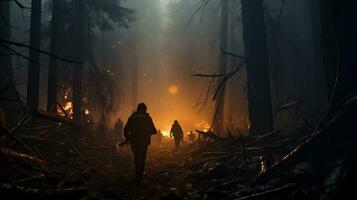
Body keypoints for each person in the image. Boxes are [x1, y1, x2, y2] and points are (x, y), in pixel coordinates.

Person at [124, 103, 157, 182]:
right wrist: (147, 132)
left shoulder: (132, 117)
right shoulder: (147, 118)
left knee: (136, 157)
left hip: (134, 141)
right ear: (145, 109)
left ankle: (137, 174)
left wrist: (128, 138)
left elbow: (126, 129)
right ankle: (140, 175)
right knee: (142, 157)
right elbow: (154, 131)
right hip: (144, 141)